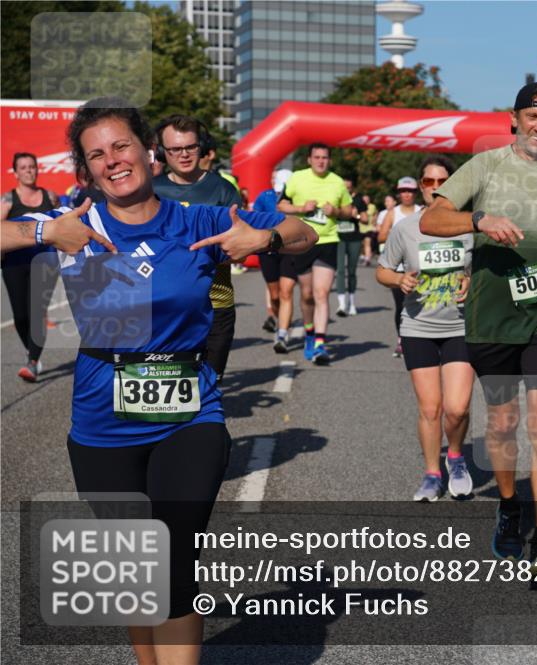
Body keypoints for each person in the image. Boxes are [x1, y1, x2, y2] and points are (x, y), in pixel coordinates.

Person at [7, 96, 315, 665]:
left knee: (171, 563)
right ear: (85, 168)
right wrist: (46, 232)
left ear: (148, 152)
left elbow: (305, 234)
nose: (112, 161)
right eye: (96, 155)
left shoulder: (196, 218)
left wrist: (264, 239)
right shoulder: (76, 225)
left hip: (188, 414)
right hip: (103, 422)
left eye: (121, 145)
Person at [421, 82, 537, 581]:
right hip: (492, 314)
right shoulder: (487, 165)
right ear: (513, 120)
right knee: (502, 425)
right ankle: (509, 504)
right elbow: (432, 218)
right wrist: (479, 219)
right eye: (532, 119)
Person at [376, 156, 475, 501]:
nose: (436, 188)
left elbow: (485, 272)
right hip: (418, 326)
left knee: (458, 408)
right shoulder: (406, 228)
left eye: (443, 181)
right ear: (421, 187)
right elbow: (382, 270)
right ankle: (432, 473)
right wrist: (399, 278)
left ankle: (456, 455)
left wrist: (472, 281)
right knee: (431, 408)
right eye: (429, 182)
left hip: (461, 325)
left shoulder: (469, 225)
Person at [152, 115, 243, 380]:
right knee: (168, 388)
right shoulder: (150, 191)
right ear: (161, 152)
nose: (184, 155)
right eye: (175, 149)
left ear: (201, 147)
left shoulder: (224, 190)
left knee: (209, 385)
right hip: (164, 306)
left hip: (216, 303)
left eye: (190, 147)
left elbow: (240, 245)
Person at [278, 144, 353, 364]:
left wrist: (336, 211)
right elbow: (281, 205)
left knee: (322, 293)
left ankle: (320, 344)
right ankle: (309, 330)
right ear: (309, 159)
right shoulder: (296, 179)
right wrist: (301, 208)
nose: (321, 161)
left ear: (329, 160)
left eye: (325, 158)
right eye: (317, 157)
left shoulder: (337, 182)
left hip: (328, 240)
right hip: (302, 242)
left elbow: (349, 211)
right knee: (307, 295)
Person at [1, 152, 61, 381]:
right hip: (14, 263)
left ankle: (33, 362)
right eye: (23, 167)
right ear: (15, 172)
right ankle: (31, 350)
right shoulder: (7, 200)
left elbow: (59, 222)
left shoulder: (50, 197)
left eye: (32, 167)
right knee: (21, 317)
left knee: (37, 312)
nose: (28, 171)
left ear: (37, 169)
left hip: (45, 263)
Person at [379, 178, 423, 357]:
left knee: (422, 303)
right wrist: (398, 236)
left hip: (419, 266)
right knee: (401, 304)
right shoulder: (392, 213)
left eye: (410, 191)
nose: (407, 194)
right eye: (403, 190)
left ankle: (421, 339)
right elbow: (380, 237)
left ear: (415, 193)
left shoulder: (422, 211)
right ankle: (401, 339)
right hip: (398, 268)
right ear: (398, 192)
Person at [254, 168, 293, 333]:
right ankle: (277, 317)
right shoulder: (264, 197)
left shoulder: (294, 198)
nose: (279, 193)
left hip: (289, 250)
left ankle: (282, 330)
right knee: (275, 295)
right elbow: (254, 219)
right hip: (268, 249)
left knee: (286, 292)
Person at [335, 177, 367, 317]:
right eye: (344, 188)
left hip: (354, 238)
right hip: (339, 238)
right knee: (340, 270)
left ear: (352, 187)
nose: (346, 190)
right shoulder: (335, 198)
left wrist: (357, 215)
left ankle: (352, 303)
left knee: (352, 271)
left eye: (349, 188)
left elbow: (366, 219)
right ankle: (341, 304)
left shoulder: (359, 199)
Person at [360, 193, 376, 266]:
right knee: (362, 244)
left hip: (369, 228)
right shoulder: (359, 206)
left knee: (367, 243)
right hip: (360, 228)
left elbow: (375, 214)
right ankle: (364, 256)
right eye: (364, 199)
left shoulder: (372, 206)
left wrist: (374, 222)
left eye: (367, 199)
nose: (365, 201)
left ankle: (367, 259)